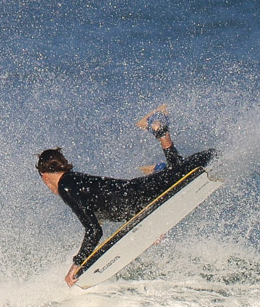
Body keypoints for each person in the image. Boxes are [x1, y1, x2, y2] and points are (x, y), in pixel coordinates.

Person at [37, 110, 185, 286]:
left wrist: (76, 264)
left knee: (181, 172)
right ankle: (159, 171)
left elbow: (93, 230)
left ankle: (157, 127)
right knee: (176, 173)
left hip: (139, 196)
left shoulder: (66, 187)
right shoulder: (73, 180)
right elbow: (102, 209)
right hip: (136, 198)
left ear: (44, 176)